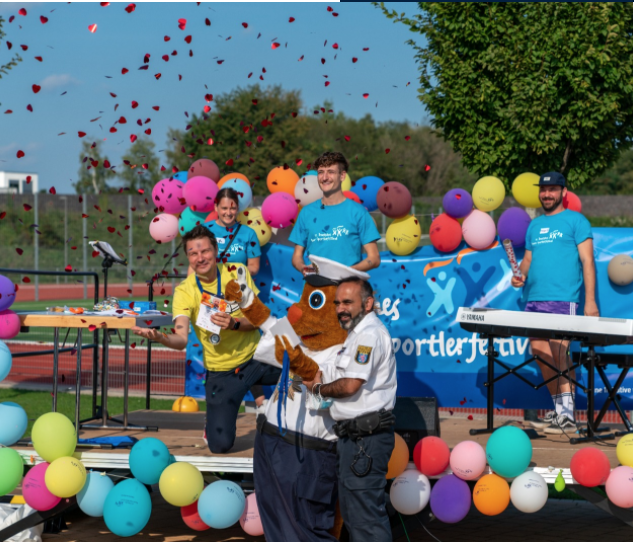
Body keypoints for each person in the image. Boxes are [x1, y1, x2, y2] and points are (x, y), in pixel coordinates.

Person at [132, 225, 280, 453]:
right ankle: (213, 423)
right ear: (188, 257)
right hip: (223, 372)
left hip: (256, 359)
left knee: (299, 363)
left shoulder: (236, 271)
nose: (200, 258)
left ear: (215, 250)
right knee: (219, 446)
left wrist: (235, 323)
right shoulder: (184, 291)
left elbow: (258, 319)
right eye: (193, 253)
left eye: (205, 251)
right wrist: (161, 337)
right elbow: (181, 338)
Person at [302, 277, 397, 542]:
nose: (340, 308)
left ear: (368, 303)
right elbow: (335, 373)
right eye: (337, 303)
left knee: (366, 520)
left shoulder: (369, 334)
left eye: (347, 302)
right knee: (356, 519)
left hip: (366, 439)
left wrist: (318, 389)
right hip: (353, 438)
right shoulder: (356, 335)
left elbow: (350, 385)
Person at [511, 171, 598, 435]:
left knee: (560, 355)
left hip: (564, 300)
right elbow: (527, 260)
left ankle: (567, 415)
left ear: (562, 192)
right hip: (533, 301)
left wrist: (590, 301)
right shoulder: (534, 226)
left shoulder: (577, 221)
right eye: (543, 190)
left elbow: (588, 261)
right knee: (541, 355)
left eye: (552, 189)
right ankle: (559, 413)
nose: (546, 194)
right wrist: (520, 275)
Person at [186, 187, 265, 410]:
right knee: (215, 351)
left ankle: (260, 406)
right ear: (216, 208)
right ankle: (213, 413)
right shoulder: (205, 231)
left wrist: (232, 276)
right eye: (224, 208)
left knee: (246, 351)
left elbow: (254, 267)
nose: (229, 212)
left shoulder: (248, 233)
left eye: (232, 208)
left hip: (237, 300)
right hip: (210, 300)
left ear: (238, 208)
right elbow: (193, 267)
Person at [290, 151, 381, 274]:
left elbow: (374, 258)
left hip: (348, 288)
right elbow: (296, 256)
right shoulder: (306, 212)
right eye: (321, 172)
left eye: (331, 172)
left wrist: (347, 272)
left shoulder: (358, 212)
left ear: (342, 176)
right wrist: (304, 268)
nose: (325, 177)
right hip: (315, 289)